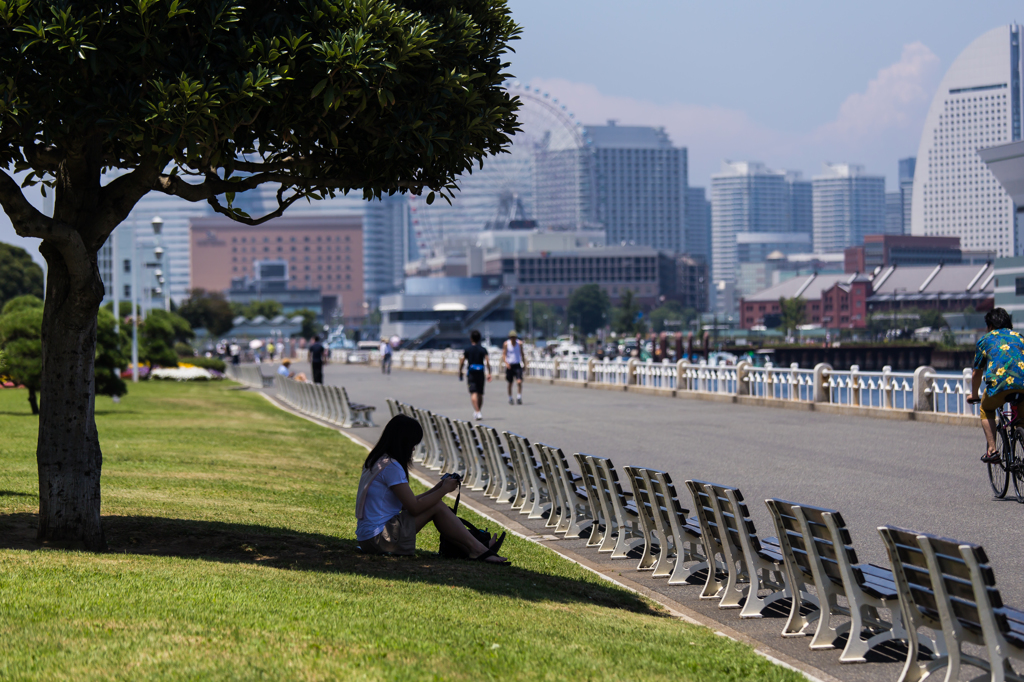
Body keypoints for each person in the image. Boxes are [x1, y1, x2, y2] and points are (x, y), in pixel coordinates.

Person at [355, 414, 508, 563]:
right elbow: (414, 508)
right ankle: (479, 550)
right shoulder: (392, 467)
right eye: (413, 443)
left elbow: (408, 504)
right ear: (404, 442)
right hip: (380, 540)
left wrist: (437, 488)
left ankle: (475, 547)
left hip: (368, 539)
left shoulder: (379, 460)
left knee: (436, 505)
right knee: (438, 507)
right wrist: (444, 490)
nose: (413, 449)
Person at [969, 308, 1024, 462]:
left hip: (999, 386)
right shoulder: (1019, 337)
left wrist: (974, 395)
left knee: (986, 409)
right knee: (1022, 418)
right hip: (1023, 385)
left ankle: (992, 450)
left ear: (991, 325)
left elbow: (976, 374)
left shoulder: (985, 340)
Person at [458, 329, 491, 421]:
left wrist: (460, 371)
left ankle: (477, 411)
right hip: (480, 372)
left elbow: (462, 361)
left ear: (471, 338)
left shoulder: (468, 349)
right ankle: (478, 411)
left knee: (473, 392)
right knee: (480, 393)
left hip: (472, 373)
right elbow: (487, 361)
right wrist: (489, 372)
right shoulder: (483, 349)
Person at [502, 329, 526, 405]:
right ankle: (510, 398)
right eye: (512, 337)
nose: (513, 339)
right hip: (510, 365)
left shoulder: (519, 343)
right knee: (510, 383)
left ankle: (519, 397)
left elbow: (522, 354)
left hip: (517, 364)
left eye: (514, 337)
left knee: (519, 381)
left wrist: (524, 364)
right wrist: (506, 363)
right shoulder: (506, 344)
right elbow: (504, 354)